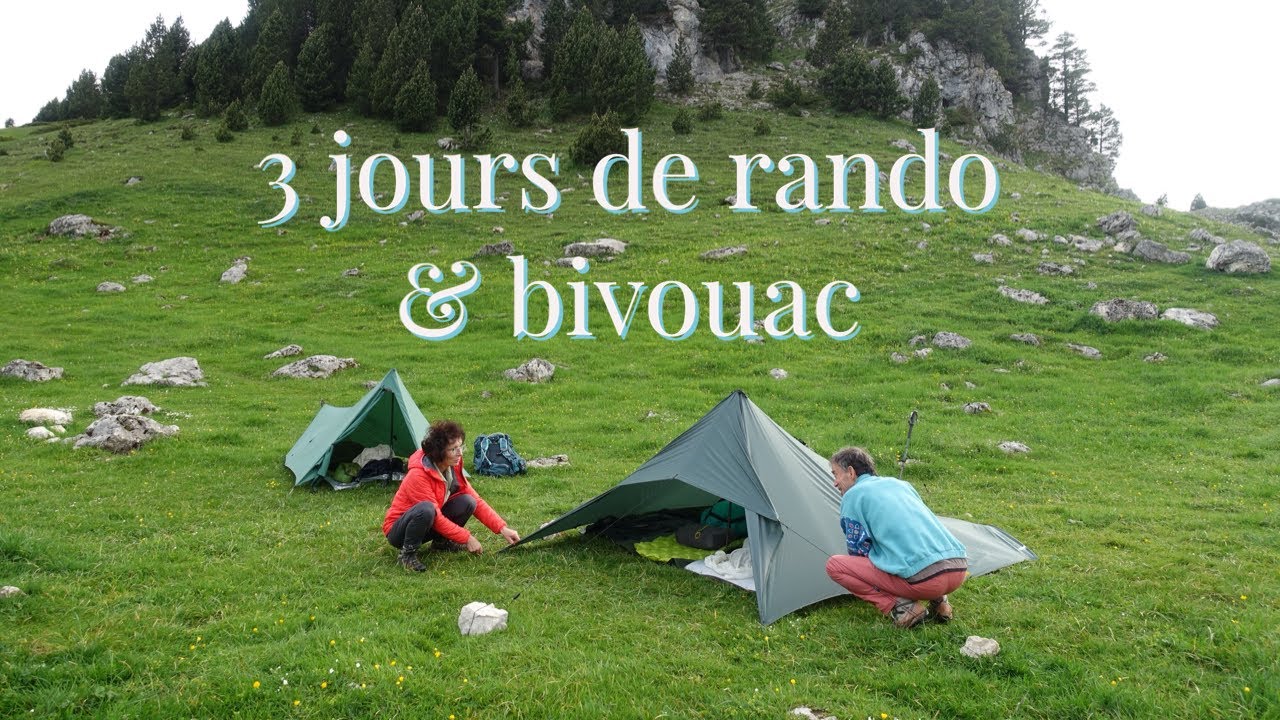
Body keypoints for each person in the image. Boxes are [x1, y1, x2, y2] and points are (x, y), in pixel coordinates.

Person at [825, 446, 967, 628]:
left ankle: (904, 607)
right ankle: (941, 604)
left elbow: (858, 551)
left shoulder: (853, 495)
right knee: (915, 547)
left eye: (835, 474)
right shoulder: (901, 485)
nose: (835, 483)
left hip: (925, 581)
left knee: (836, 566)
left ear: (851, 472)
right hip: (958, 569)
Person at [383, 420, 521, 572]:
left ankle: (442, 543)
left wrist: (502, 528)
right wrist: (466, 538)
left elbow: (475, 499)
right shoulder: (417, 475)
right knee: (427, 509)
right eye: (453, 449)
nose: (460, 453)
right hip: (399, 531)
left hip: (428, 521)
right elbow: (435, 516)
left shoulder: (452, 465)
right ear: (439, 452)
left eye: (460, 446)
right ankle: (407, 555)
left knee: (468, 501)